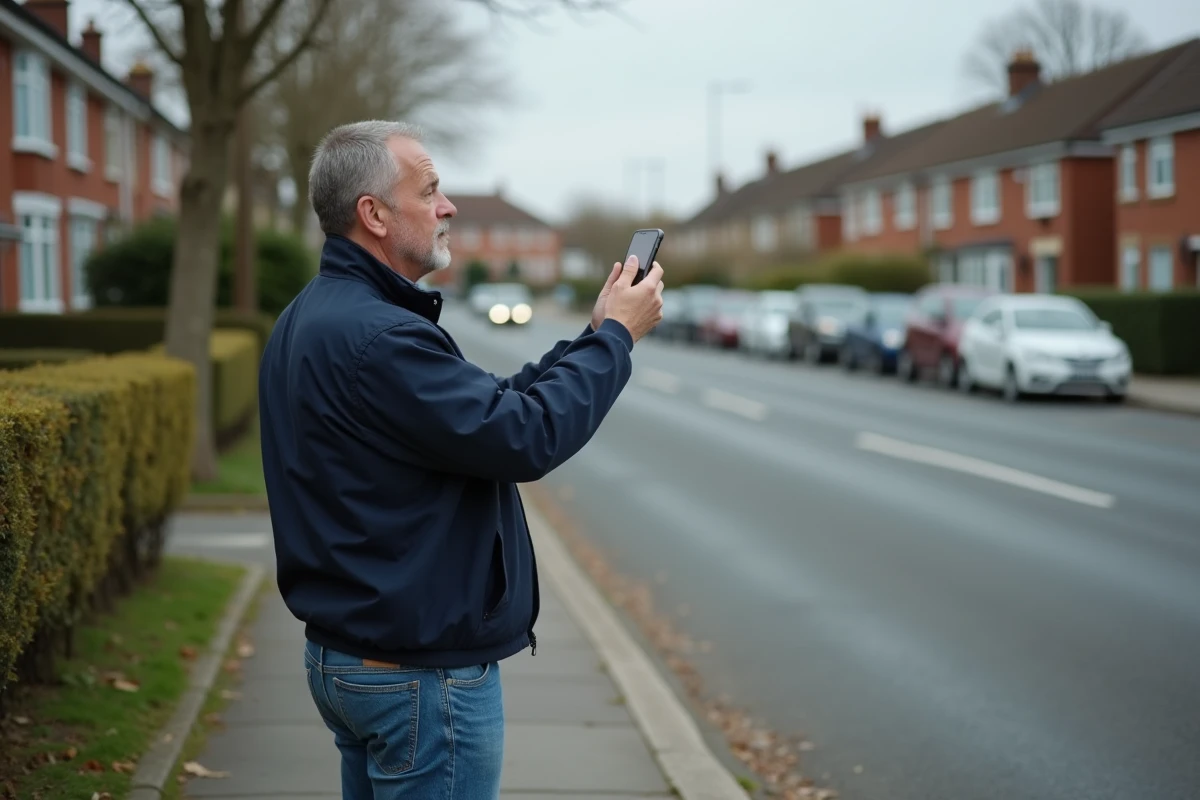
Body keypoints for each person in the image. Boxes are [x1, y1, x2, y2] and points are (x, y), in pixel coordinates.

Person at [257, 120, 664, 800]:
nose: (448, 207)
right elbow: (524, 438)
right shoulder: (381, 335)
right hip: (416, 677)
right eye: (432, 190)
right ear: (374, 214)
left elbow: (485, 415)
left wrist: (591, 339)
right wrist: (619, 339)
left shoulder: (318, 313)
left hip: (352, 656)